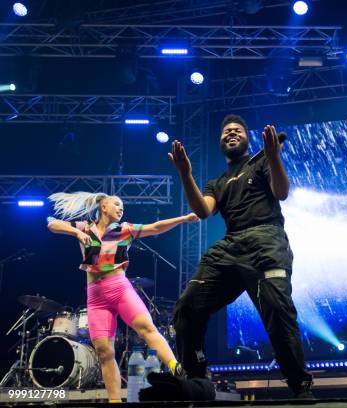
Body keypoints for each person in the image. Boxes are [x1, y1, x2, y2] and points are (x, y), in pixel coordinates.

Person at [168, 114, 313, 398]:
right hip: (230, 246)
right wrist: (185, 174)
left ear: (247, 138)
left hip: (266, 240)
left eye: (237, 130)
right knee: (186, 308)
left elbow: (281, 192)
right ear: (221, 141)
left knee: (277, 311)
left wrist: (273, 157)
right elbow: (202, 210)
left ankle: (300, 386)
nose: (231, 133)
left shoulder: (260, 162)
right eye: (226, 131)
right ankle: (198, 379)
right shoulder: (216, 182)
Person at [47, 192, 198, 403]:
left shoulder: (124, 229)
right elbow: (52, 224)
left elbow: (155, 227)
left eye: (123, 206)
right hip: (95, 296)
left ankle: (176, 367)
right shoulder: (85, 227)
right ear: (103, 206)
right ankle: (115, 401)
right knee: (104, 352)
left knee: (146, 327)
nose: (121, 208)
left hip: (119, 288)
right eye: (117, 204)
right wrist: (75, 233)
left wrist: (183, 218)